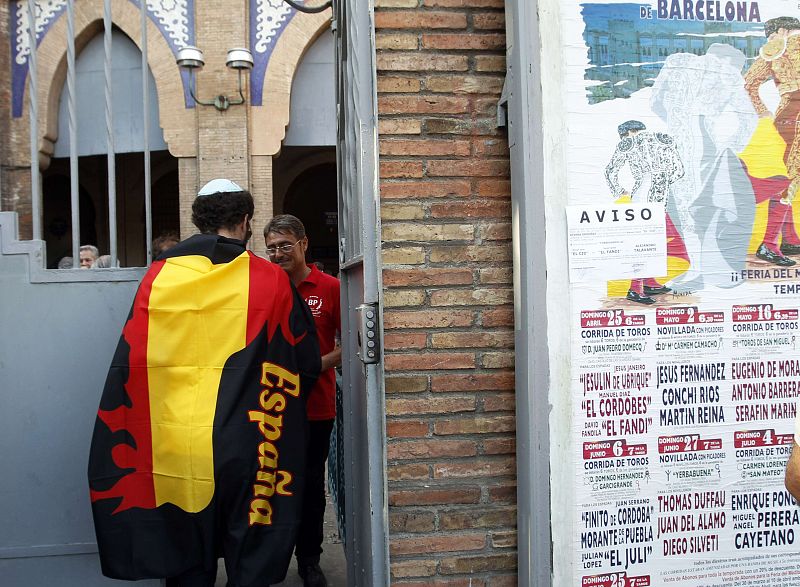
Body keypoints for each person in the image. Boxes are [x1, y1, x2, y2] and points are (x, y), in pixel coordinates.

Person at [88, 179, 321, 587]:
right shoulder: (268, 278)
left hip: (174, 444)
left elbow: (135, 361)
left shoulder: (160, 276)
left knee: (184, 559)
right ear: (246, 220)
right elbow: (304, 361)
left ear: (197, 219)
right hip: (250, 441)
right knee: (248, 550)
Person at [264, 214, 341, 587]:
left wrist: (310, 369)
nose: (278, 254)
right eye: (271, 248)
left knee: (310, 488)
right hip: (270, 410)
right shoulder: (265, 289)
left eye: (284, 246)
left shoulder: (329, 288)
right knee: (272, 487)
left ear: (303, 244)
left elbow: (350, 343)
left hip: (315, 407)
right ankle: (270, 559)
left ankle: (309, 560)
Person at [650, 43, 758, 289]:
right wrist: (729, 148)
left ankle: (698, 269)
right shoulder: (729, 74)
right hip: (704, 139)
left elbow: (655, 102)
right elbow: (748, 118)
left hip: (675, 138)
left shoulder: (676, 59)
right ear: (731, 62)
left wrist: (677, 123)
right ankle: (706, 270)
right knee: (702, 203)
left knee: (683, 203)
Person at [605, 120, 688, 304]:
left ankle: (645, 285)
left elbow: (610, 172)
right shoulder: (663, 139)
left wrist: (620, 191)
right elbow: (679, 171)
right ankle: (637, 288)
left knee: (646, 245)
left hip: (641, 198)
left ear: (628, 133)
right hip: (660, 199)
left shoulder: (628, 144)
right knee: (655, 244)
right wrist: (663, 180)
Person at [744, 16, 800, 266]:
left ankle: (788, 238)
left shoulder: (774, 50)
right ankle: (768, 243)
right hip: (792, 117)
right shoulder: (779, 48)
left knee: (791, 176)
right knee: (789, 176)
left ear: (780, 31)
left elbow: (749, 84)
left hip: (789, 113)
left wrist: (762, 110)